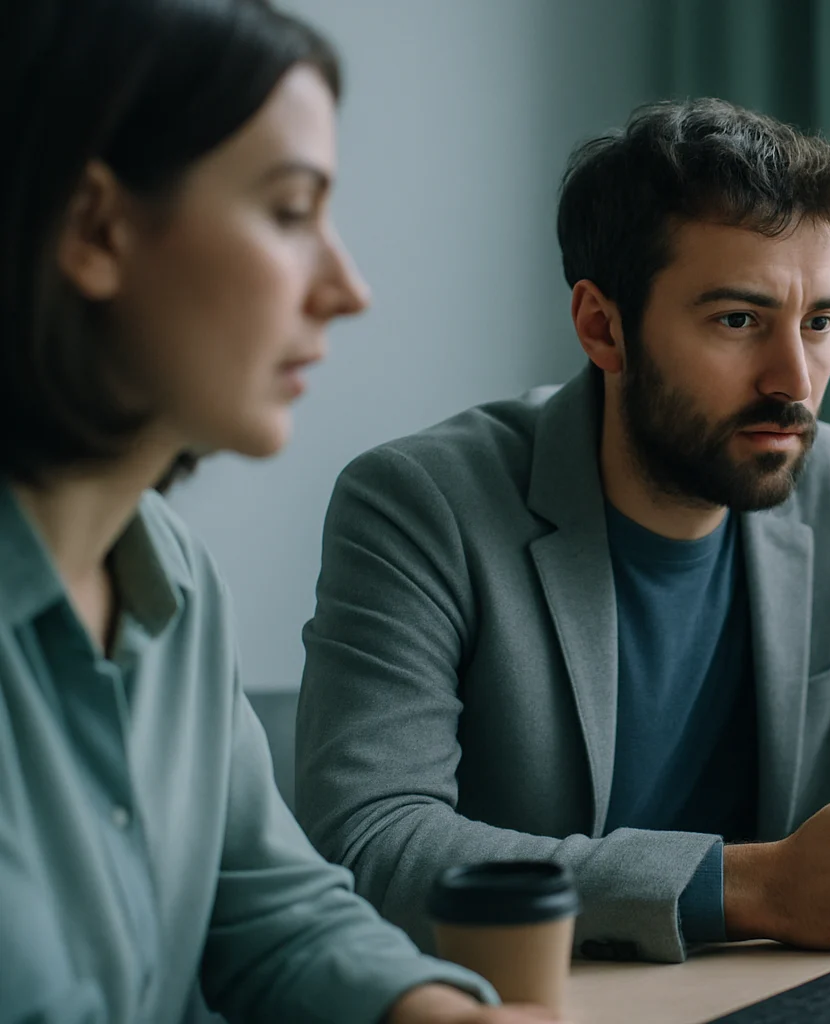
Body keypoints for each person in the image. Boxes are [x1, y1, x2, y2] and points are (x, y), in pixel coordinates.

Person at [294, 98, 830, 965]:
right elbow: (374, 841)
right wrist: (759, 886)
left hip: (754, 992)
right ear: (604, 327)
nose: (795, 379)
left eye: (819, 322)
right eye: (739, 320)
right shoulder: (422, 503)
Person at [0, 2, 551, 1020]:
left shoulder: (175, 584)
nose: (348, 287)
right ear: (95, 229)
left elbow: (270, 914)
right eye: (292, 212)